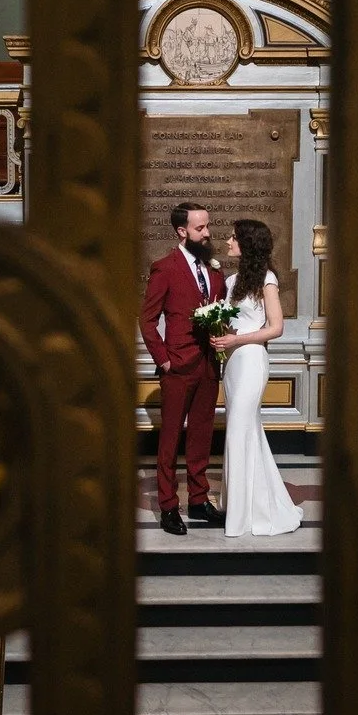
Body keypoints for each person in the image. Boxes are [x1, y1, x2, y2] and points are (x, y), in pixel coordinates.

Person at [209, 219, 305, 537]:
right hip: (234, 364)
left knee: (239, 429)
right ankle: (241, 504)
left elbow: (276, 328)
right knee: (244, 431)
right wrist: (219, 332)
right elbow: (230, 322)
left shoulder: (267, 278)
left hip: (251, 360)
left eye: (234, 238)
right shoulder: (233, 279)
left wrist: (237, 340)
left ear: (248, 244)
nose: (228, 242)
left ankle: (243, 515)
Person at [139, 202, 227, 535]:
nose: (208, 233)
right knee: (171, 438)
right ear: (182, 231)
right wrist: (163, 359)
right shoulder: (165, 267)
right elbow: (147, 321)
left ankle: (200, 501)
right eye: (200, 228)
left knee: (202, 436)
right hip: (177, 365)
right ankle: (168, 506)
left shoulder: (214, 270)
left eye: (208, 226)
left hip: (208, 365)